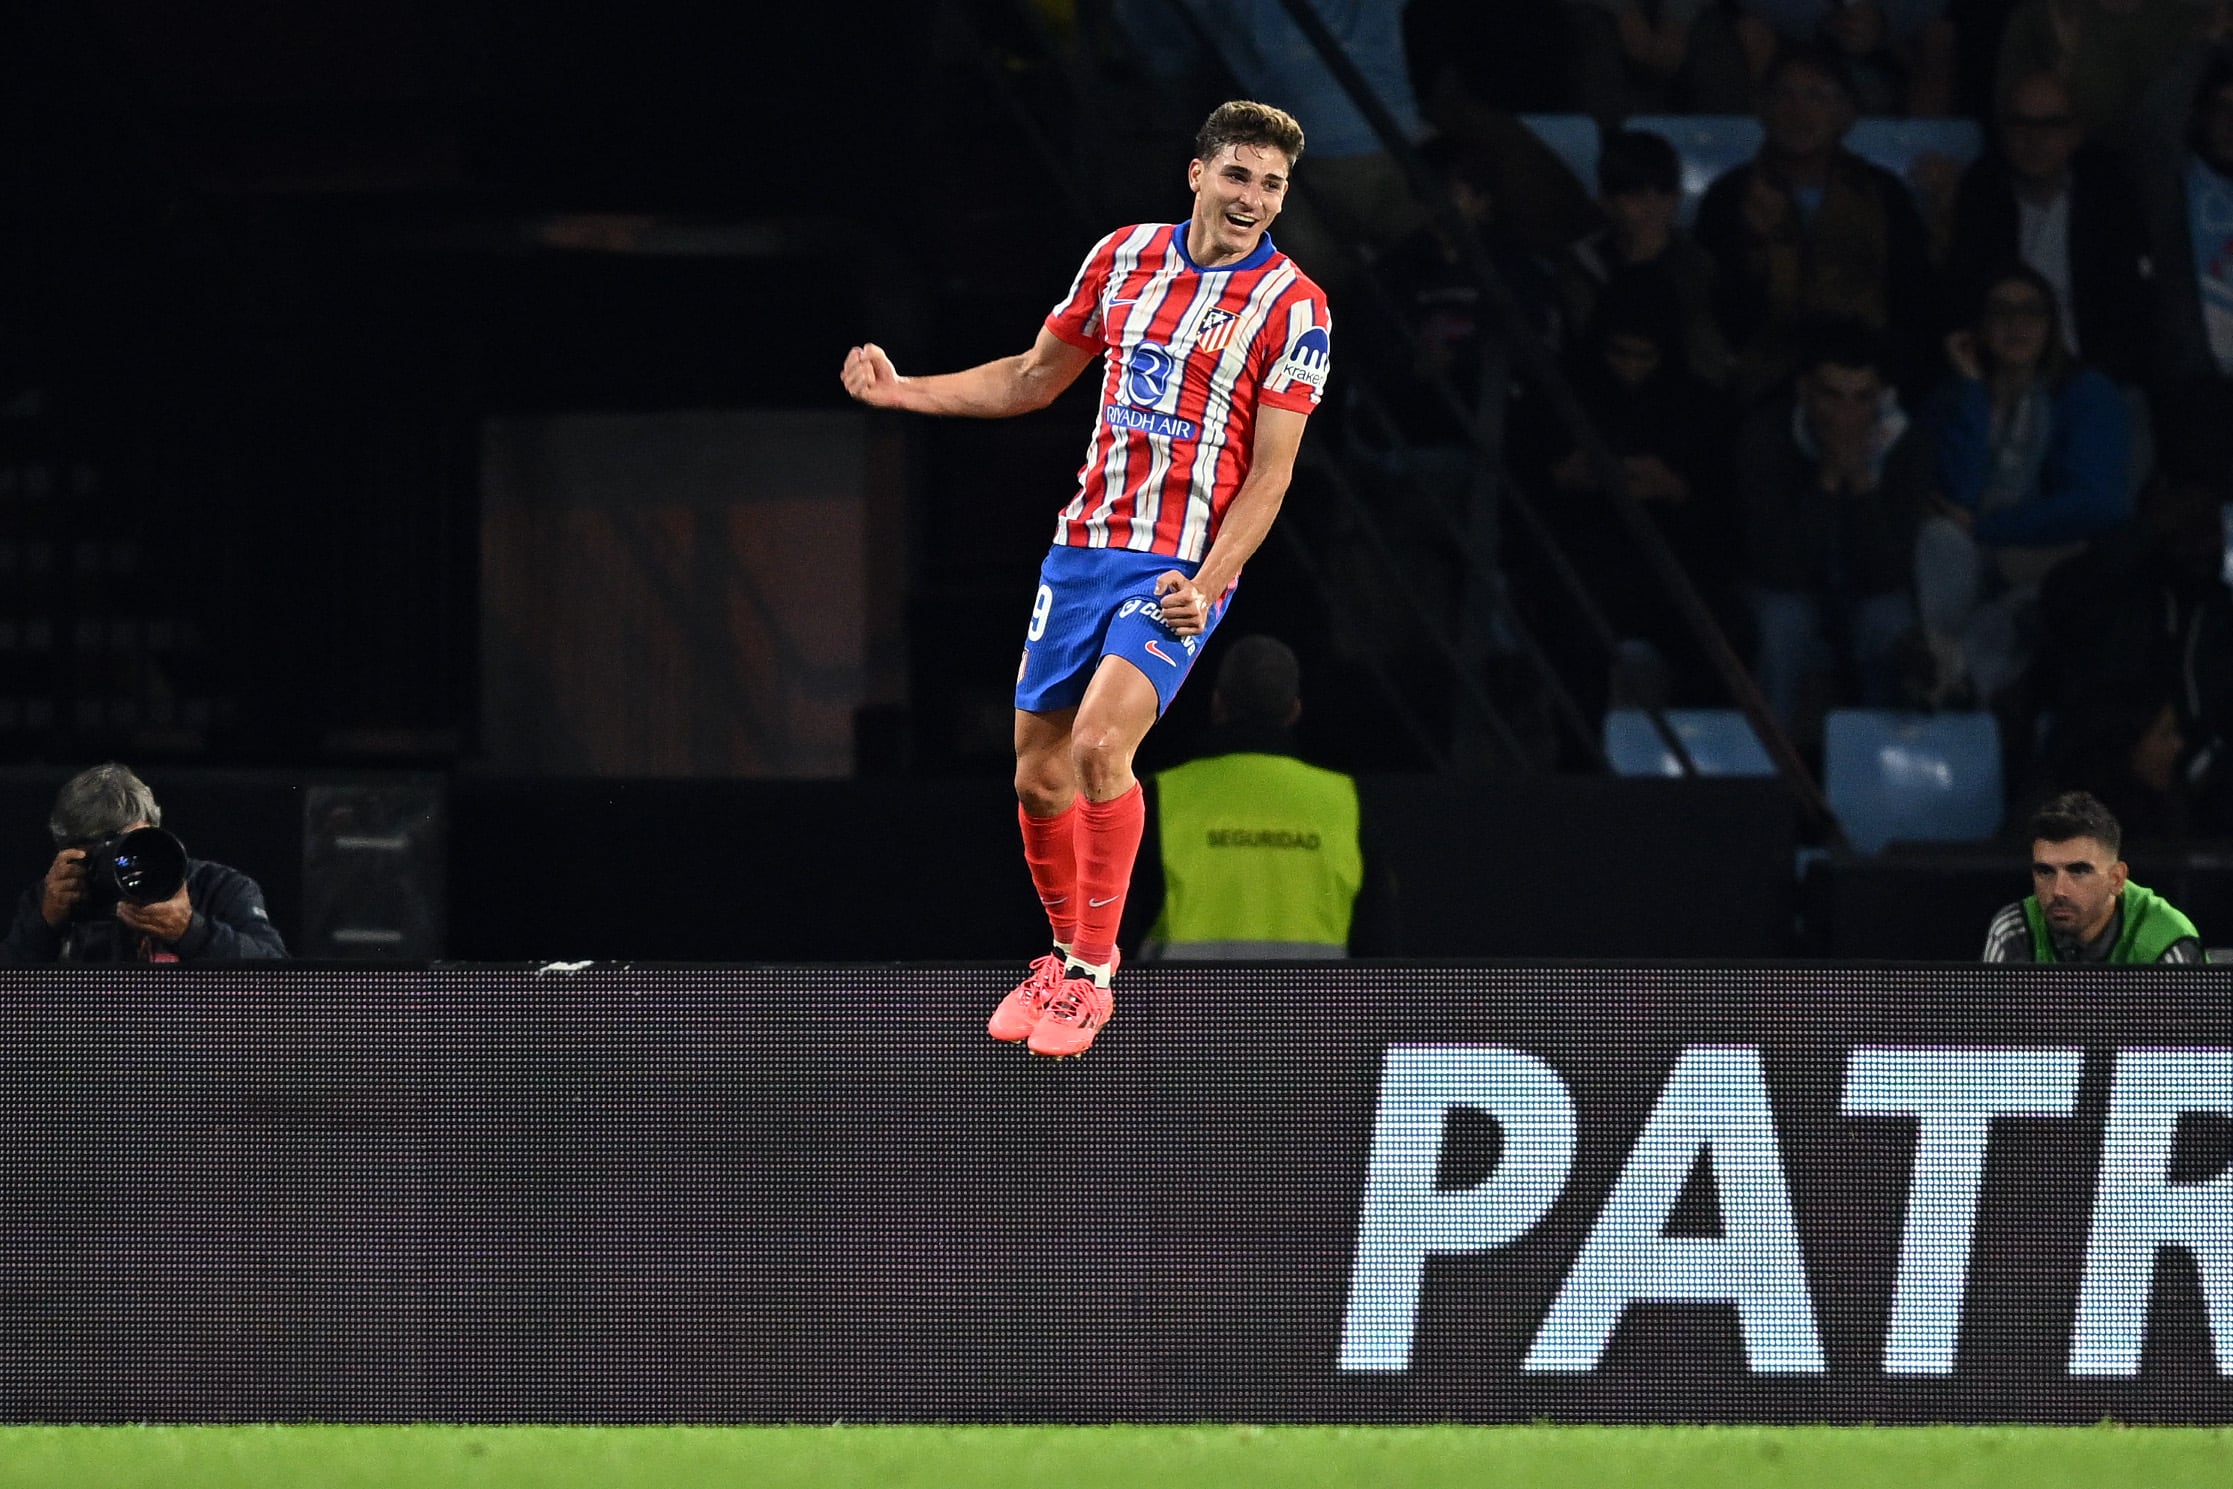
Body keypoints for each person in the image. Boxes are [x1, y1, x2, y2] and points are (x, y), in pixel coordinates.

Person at [840, 100, 1330, 1058]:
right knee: (1036, 775)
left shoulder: (1294, 306)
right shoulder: (1121, 258)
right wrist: (905, 392)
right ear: (1197, 172)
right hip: (1084, 548)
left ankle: (1094, 974)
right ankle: (1063, 953)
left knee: (1106, 746)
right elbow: (1031, 377)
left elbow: (1271, 472)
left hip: (1180, 565)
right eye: (1238, 175)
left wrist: (1211, 575)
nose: (1252, 199)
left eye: (1271, 185)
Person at [1913, 262, 2133, 708]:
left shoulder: (2085, 392)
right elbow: (1954, 496)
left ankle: (1958, 686)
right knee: (1939, 538)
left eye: (2031, 312)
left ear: (2052, 325)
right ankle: (1946, 674)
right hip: (1969, 554)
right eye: (2001, 312)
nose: (2017, 325)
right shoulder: (1954, 396)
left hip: (2046, 552)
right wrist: (1975, 390)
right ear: (1979, 326)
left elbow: (2098, 503)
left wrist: (1989, 529)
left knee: (2006, 616)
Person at [1694, 44, 1943, 403]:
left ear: (1847, 114)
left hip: (1866, 382)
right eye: (1785, 95)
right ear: (1762, 110)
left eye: (1817, 96)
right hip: (1768, 386)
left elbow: (1913, 304)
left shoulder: (1883, 194)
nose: (1799, 111)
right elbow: (1722, 318)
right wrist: (1755, 246)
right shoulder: (1729, 197)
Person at [1126, 635, 1397, 958]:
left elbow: (1119, 924)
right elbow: (1378, 938)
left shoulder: (1162, 795)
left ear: (1217, 704)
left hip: (1188, 1004)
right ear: (1294, 710)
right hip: (1314, 1006)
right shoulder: (1345, 801)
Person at [1732, 319, 1931, 734]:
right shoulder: (1767, 435)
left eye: (1862, 399)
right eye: (1832, 396)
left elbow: (1890, 573)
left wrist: (1861, 486)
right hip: (1790, 589)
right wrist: (1825, 483)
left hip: (1864, 589)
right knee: (1780, 625)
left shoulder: (1901, 444)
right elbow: (1775, 565)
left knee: (1890, 623)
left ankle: (1885, 772)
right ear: (1805, 392)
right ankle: (1771, 776)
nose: (1847, 414)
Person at [1944, 68, 2153, 386]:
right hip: (2004, 379)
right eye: (2021, 124)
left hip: (2099, 378)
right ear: (2004, 131)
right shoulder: (1982, 194)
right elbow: (1968, 297)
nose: (2035, 138)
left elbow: (2131, 307)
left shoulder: (2108, 194)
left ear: (2075, 133)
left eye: (2051, 125)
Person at [0, 763, 288, 964]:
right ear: (66, 850)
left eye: (130, 844)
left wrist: (190, 931)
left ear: (154, 829)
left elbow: (280, 979)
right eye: (100, 851)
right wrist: (44, 926)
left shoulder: (216, 888)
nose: (119, 862)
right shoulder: (57, 898)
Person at [1982, 789, 2205, 960]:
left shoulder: (2166, 940)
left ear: (2116, 879)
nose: (2058, 890)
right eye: (2045, 871)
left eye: (2078, 870)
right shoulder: (2013, 931)